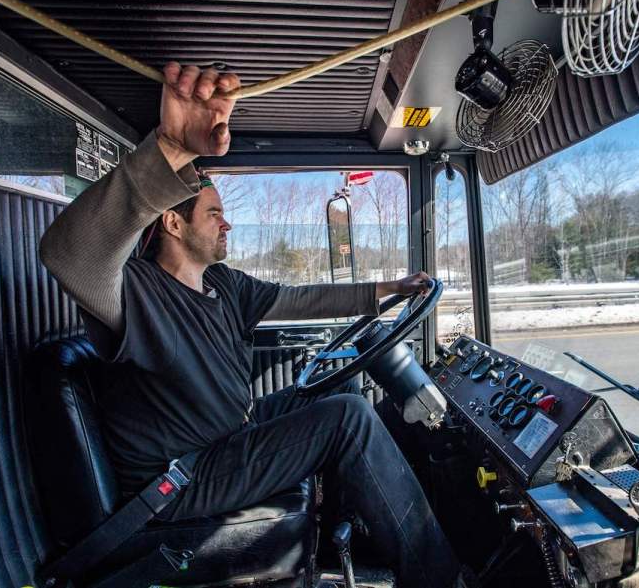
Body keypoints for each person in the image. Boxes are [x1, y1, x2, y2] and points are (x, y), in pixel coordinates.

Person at [40, 62, 465, 588]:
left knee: (344, 389)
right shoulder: (135, 291)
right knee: (347, 418)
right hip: (185, 477)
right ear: (173, 221)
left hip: (231, 434)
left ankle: (356, 540)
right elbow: (67, 255)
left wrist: (388, 291)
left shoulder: (223, 285)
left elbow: (298, 298)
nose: (228, 222)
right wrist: (171, 147)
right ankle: (442, 579)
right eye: (214, 213)